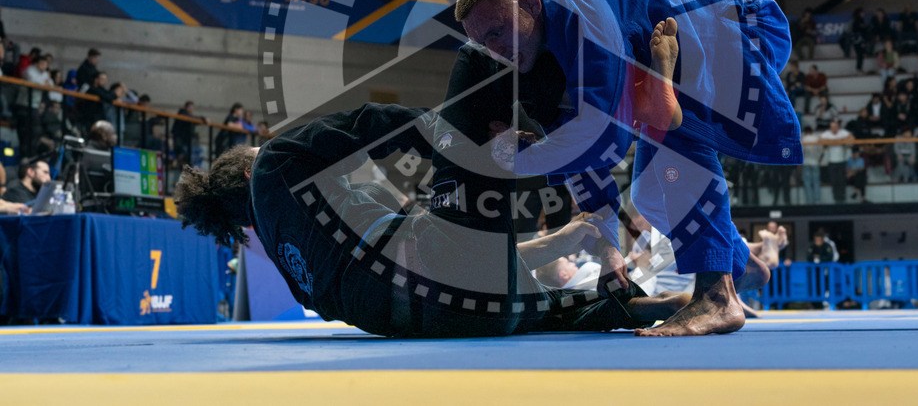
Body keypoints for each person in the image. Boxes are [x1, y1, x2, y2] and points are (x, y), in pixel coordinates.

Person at [450, 0, 797, 336]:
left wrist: (517, 161)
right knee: (649, 196)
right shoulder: (534, 57)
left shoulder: (584, 15)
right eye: (481, 42)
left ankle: (717, 297)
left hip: (736, 19)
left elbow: (602, 139)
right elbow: (574, 152)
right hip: (672, 52)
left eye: (497, 32)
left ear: (530, 4)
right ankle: (738, 262)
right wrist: (608, 247)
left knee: (675, 140)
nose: (493, 50)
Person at [173, 104, 686, 338]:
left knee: (544, 310)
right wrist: (452, 139)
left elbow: (462, 273)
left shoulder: (296, 278)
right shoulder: (273, 161)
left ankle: (649, 305)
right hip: (441, 267)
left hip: (451, 319)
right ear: (247, 166)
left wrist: (557, 242)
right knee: (478, 76)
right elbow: (369, 125)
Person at [819, 120, 852, 203]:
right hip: (832, 161)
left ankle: (843, 198)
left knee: (842, 181)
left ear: (838, 127)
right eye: (832, 127)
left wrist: (841, 141)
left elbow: (852, 138)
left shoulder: (843, 132)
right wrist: (832, 142)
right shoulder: (827, 133)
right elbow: (819, 140)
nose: (834, 129)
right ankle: (836, 199)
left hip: (841, 161)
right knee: (834, 181)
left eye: (835, 127)